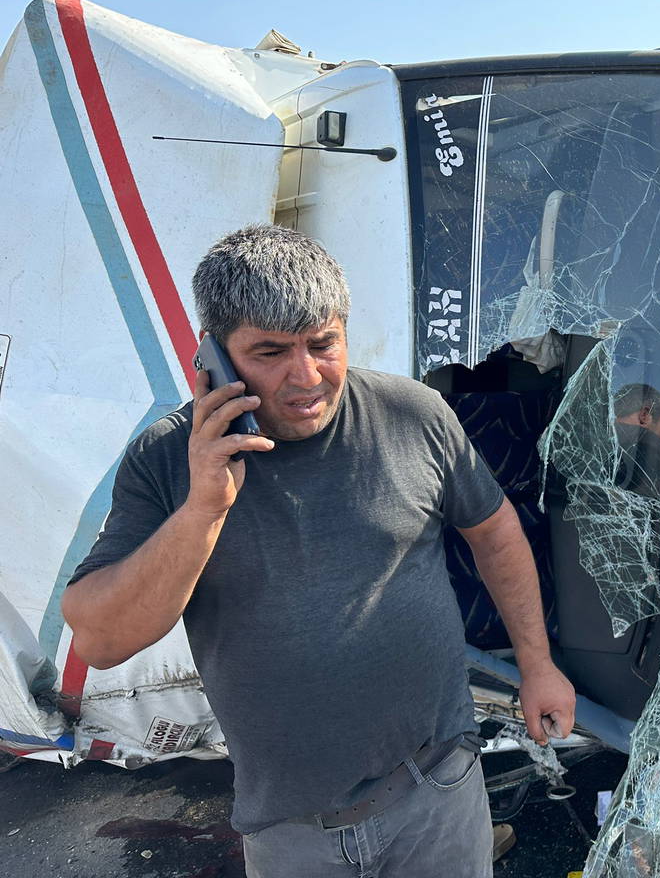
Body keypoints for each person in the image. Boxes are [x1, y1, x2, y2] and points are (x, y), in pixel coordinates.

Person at [60, 224, 575, 878]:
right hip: (292, 832)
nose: (306, 377)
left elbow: (495, 532)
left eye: (323, 344)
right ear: (212, 355)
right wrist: (204, 508)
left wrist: (537, 664)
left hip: (439, 789)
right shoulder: (166, 459)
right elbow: (101, 640)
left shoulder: (412, 414)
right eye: (270, 351)